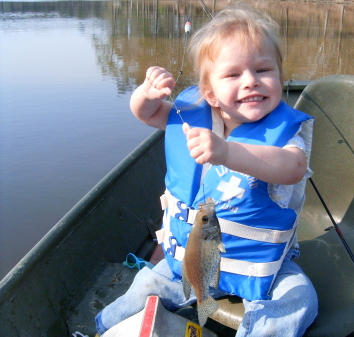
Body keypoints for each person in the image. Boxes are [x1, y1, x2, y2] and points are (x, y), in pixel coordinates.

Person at [95, 4, 317, 336]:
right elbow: (149, 113)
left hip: (260, 267)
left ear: (280, 78)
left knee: (300, 298)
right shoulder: (193, 116)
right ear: (210, 93)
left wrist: (227, 151)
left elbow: (294, 167)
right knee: (146, 283)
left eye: (263, 70)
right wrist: (145, 93)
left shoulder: (287, 132)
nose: (251, 82)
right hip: (190, 261)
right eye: (233, 74)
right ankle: (104, 329)